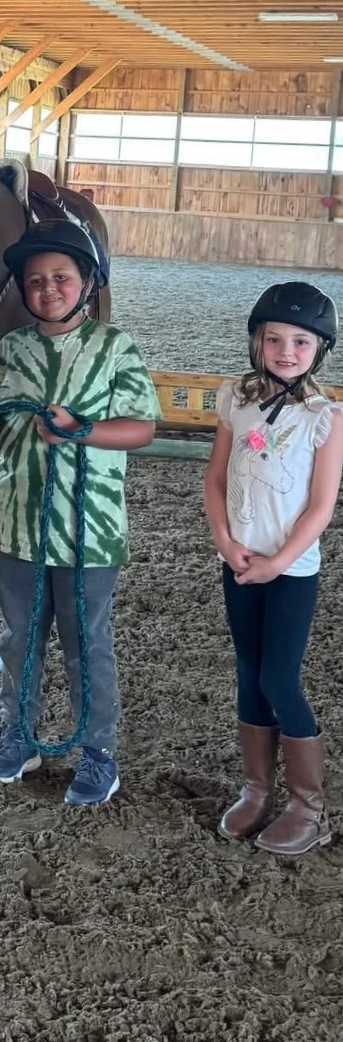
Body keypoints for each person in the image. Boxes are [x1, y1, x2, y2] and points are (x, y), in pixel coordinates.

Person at [0, 219, 159, 806]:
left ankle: (97, 753)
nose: (49, 289)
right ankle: (20, 735)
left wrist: (83, 431)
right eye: (35, 281)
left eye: (61, 277)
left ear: (87, 283)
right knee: (19, 639)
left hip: (91, 529)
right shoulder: (9, 351)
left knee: (86, 642)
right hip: (15, 525)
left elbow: (141, 428)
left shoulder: (116, 349)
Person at [203, 282, 340, 856]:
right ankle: (258, 789)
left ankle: (310, 806)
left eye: (300, 342)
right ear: (258, 342)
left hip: (290, 572)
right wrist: (226, 543)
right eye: (275, 339)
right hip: (237, 562)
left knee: (279, 677)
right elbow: (214, 479)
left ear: (318, 350)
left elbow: (321, 506)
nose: (286, 351)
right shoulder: (236, 399)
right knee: (248, 672)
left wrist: (278, 562)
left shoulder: (325, 417)